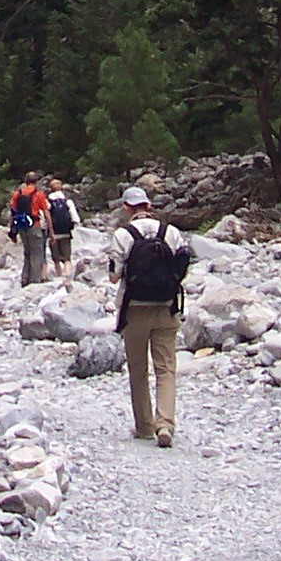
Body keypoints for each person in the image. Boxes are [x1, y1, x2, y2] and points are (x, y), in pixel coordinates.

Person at [109, 186, 191, 448]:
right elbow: (181, 267)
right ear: (149, 205)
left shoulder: (122, 235)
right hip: (166, 306)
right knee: (166, 368)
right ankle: (165, 424)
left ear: (126, 208)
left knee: (138, 369)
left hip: (134, 308)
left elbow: (114, 275)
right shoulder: (171, 232)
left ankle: (144, 426)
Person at [8, 174, 51, 286]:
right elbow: (46, 213)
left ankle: (24, 278)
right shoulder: (38, 194)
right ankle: (34, 281)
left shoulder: (18, 194)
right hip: (34, 225)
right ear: (36, 181)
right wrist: (51, 230)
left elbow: (12, 212)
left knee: (27, 253)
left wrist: (12, 229)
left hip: (22, 227)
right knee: (37, 254)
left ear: (25, 181)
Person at [47, 179, 80, 278]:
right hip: (66, 232)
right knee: (67, 258)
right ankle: (67, 275)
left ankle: (59, 276)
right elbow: (74, 216)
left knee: (56, 259)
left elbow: (45, 216)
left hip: (54, 233)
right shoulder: (67, 201)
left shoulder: (48, 202)